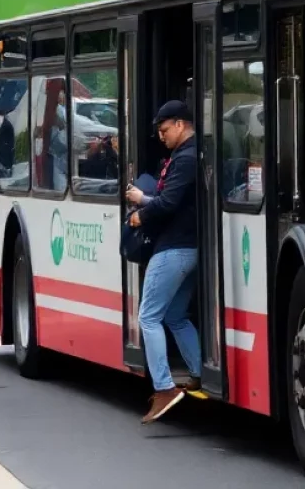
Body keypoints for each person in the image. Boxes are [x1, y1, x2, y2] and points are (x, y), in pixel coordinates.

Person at [126, 99, 201, 424]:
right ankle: (199, 372)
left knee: (148, 317)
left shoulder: (185, 159)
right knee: (175, 316)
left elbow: (169, 203)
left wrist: (141, 213)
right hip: (190, 249)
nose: (162, 136)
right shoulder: (191, 154)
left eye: (165, 129)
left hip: (174, 249)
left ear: (181, 125)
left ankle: (164, 387)